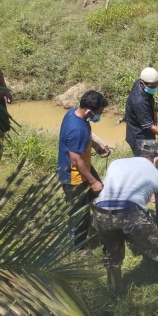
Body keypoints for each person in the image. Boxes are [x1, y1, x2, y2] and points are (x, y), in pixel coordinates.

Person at [93, 140, 158, 295]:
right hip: (129, 213)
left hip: (100, 212)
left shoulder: (116, 163)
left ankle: (115, 293)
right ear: (156, 159)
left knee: (112, 256)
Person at [58, 90, 110, 254]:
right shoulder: (76, 129)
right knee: (79, 212)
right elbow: (76, 160)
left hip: (84, 167)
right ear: (89, 111)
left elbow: (85, 137)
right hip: (74, 174)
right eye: (98, 114)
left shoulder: (74, 112)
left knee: (100, 196)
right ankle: (79, 245)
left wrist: (96, 146)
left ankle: (104, 228)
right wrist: (93, 181)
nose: (99, 116)